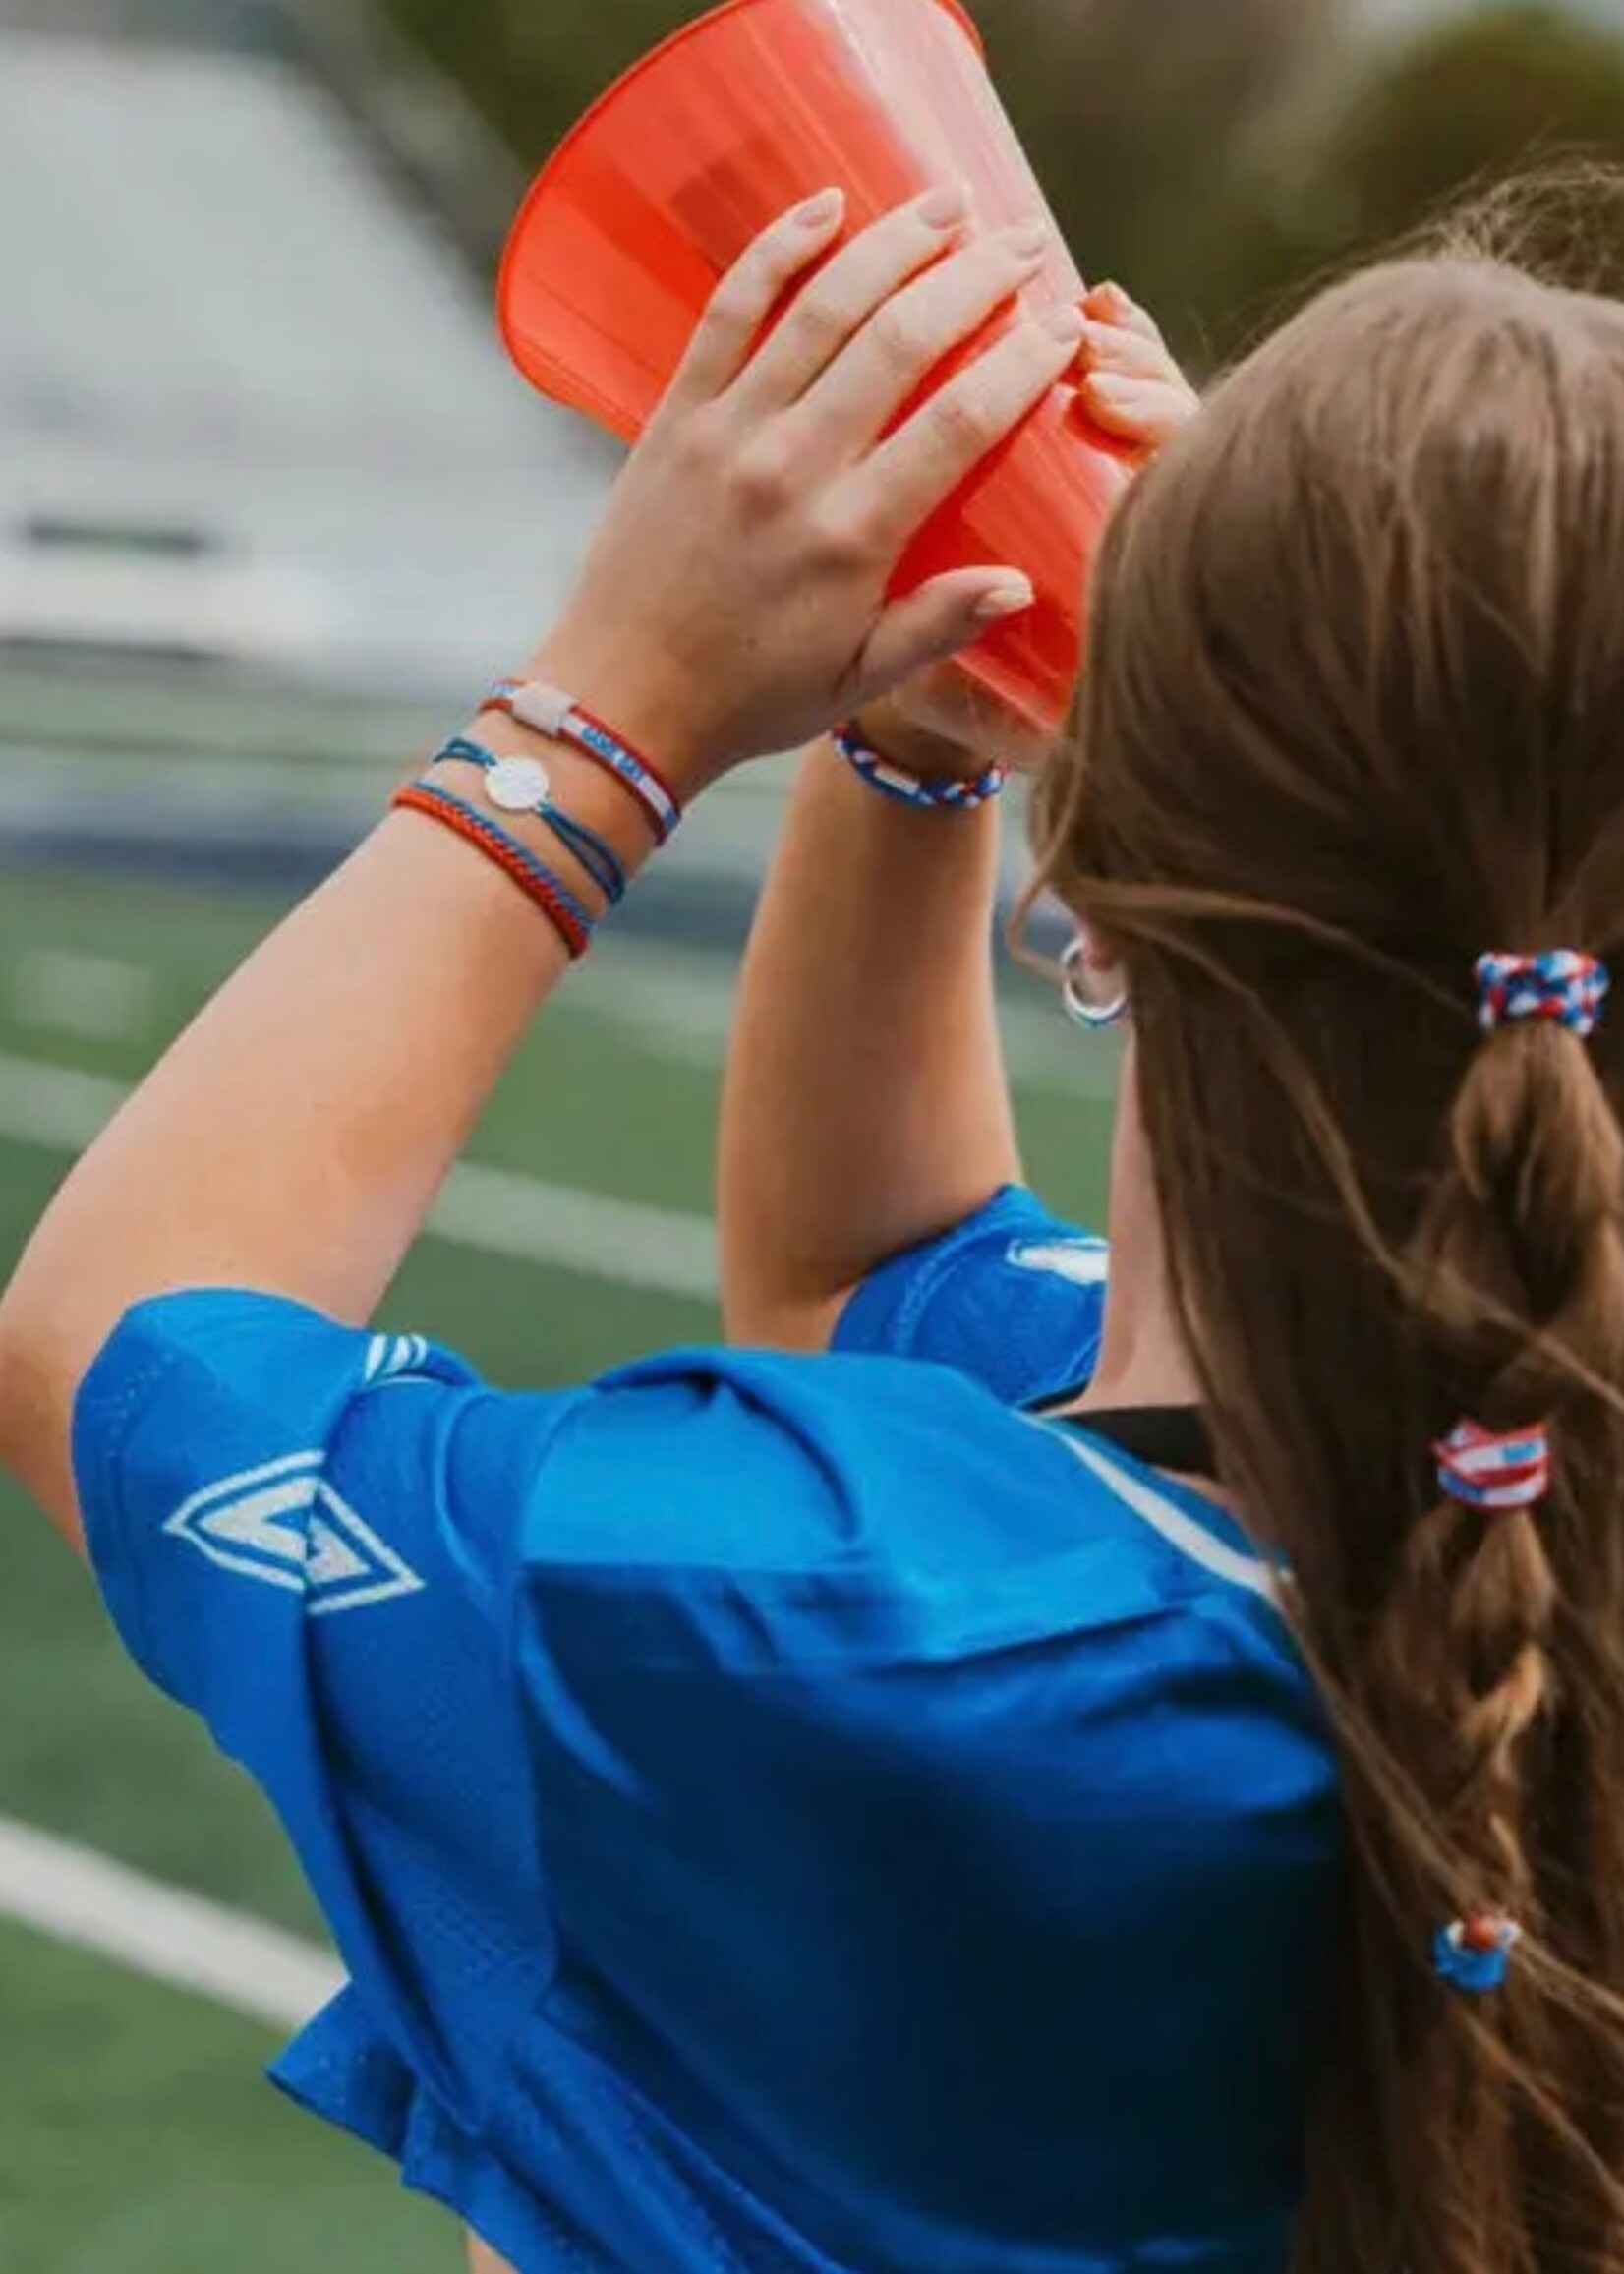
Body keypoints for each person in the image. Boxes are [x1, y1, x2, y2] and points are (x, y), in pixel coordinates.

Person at [0, 169, 1620, 2274]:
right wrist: (910, 744)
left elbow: (119, 1341)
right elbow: (869, 1277)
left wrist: (611, 700)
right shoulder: (1466, 1499)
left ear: (1109, 860)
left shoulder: (840, 1629)